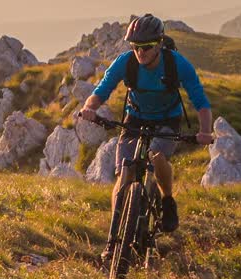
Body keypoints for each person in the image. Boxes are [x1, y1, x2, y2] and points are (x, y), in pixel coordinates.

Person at [76, 14, 214, 263]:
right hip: (135, 119)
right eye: (135, 47)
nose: (140, 52)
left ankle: (167, 200)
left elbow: (201, 102)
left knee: (158, 156)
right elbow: (101, 90)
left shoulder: (177, 64)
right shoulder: (125, 62)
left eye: (147, 47)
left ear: (159, 44)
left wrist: (205, 131)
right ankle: (112, 239)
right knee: (125, 172)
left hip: (167, 120)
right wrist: (90, 108)